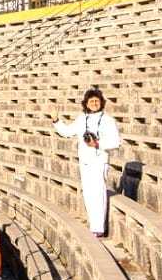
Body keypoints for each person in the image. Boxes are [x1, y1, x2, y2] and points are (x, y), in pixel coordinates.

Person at [47, 88, 120, 236]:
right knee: (88, 193)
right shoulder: (82, 119)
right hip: (85, 161)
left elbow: (115, 142)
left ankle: (99, 228)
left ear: (101, 103)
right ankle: (93, 225)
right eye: (91, 101)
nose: (94, 103)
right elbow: (67, 132)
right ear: (86, 103)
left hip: (99, 160)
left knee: (98, 193)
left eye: (96, 101)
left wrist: (98, 144)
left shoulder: (107, 120)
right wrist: (56, 120)